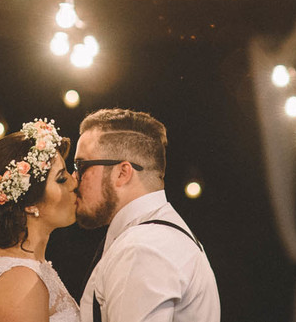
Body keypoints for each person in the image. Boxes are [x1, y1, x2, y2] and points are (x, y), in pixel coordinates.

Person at [74, 108, 220, 322]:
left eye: (81, 166)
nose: (73, 178)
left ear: (122, 173)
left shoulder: (142, 247)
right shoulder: (156, 237)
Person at [0, 119, 81, 322]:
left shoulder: (25, 268)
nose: (74, 182)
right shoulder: (19, 283)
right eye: (61, 179)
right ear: (30, 204)